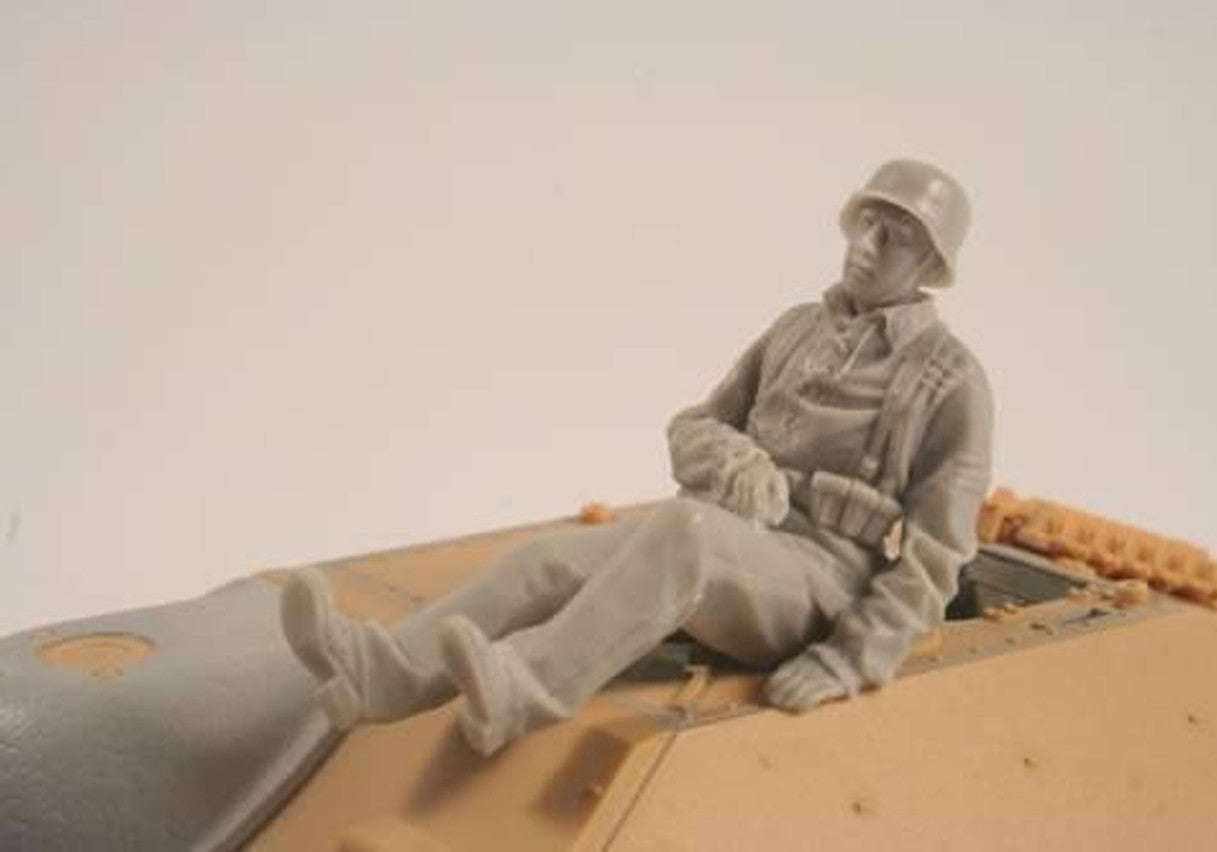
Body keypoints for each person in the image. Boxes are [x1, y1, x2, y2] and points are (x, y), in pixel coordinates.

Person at [280, 159, 995, 755]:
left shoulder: (948, 379)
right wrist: (729, 458)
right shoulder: (797, 329)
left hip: (818, 586)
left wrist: (850, 656)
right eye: (866, 222)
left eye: (897, 236)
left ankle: (521, 689)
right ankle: (387, 672)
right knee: (547, 562)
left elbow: (937, 556)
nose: (868, 244)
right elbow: (694, 425)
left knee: (687, 532)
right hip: (724, 537)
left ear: (930, 263)